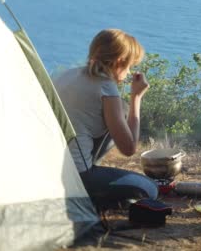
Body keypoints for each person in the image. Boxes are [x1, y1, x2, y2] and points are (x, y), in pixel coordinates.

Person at [54, 29, 158, 210]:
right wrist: (136, 97)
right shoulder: (105, 88)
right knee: (150, 189)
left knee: (120, 111)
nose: (129, 72)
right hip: (76, 176)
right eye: (129, 66)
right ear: (119, 62)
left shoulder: (66, 75)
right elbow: (128, 148)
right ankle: (87, 200)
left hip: (49, 167)